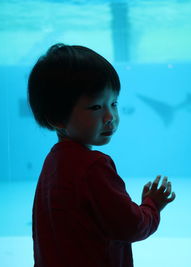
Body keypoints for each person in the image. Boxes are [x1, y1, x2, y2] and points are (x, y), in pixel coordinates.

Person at [28, 43, 176, 267]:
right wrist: (152, 206)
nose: (110, 116)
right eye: (96, 107)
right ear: (57, 118)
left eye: (113, 103)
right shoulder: (93, 167)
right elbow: (131, 226)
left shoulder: (53, 162)